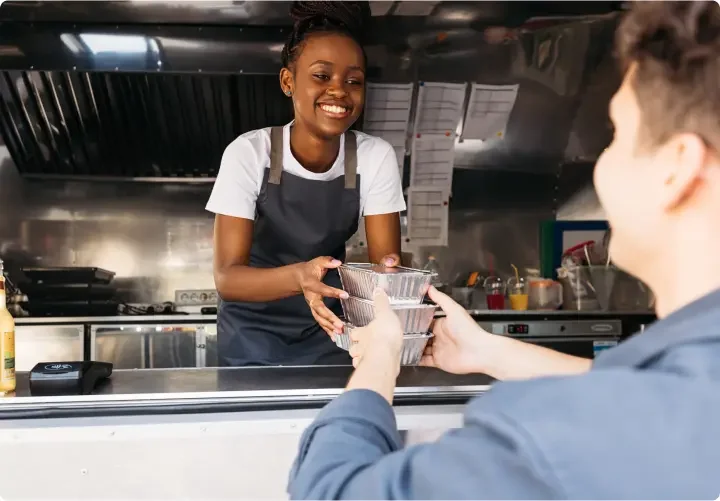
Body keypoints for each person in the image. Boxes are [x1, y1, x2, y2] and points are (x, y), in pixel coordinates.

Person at [287, 1, 720, 498]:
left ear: (677, 168)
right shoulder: (691, 390)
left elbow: (332, 491)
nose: (600, 166)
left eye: (616, 136)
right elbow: (644, 398)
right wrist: (489, 352)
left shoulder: (549, 440)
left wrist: (380, 358)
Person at [206, 1, 406, 367]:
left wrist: (394, 280)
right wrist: (300, 276)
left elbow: (385, 269)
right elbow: (228, 278)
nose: (339, 91)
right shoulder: (250, 153)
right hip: (251, 337)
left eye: (353, 81)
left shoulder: (374, 157)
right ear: (288, 81)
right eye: (321, 76)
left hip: (331, 332)